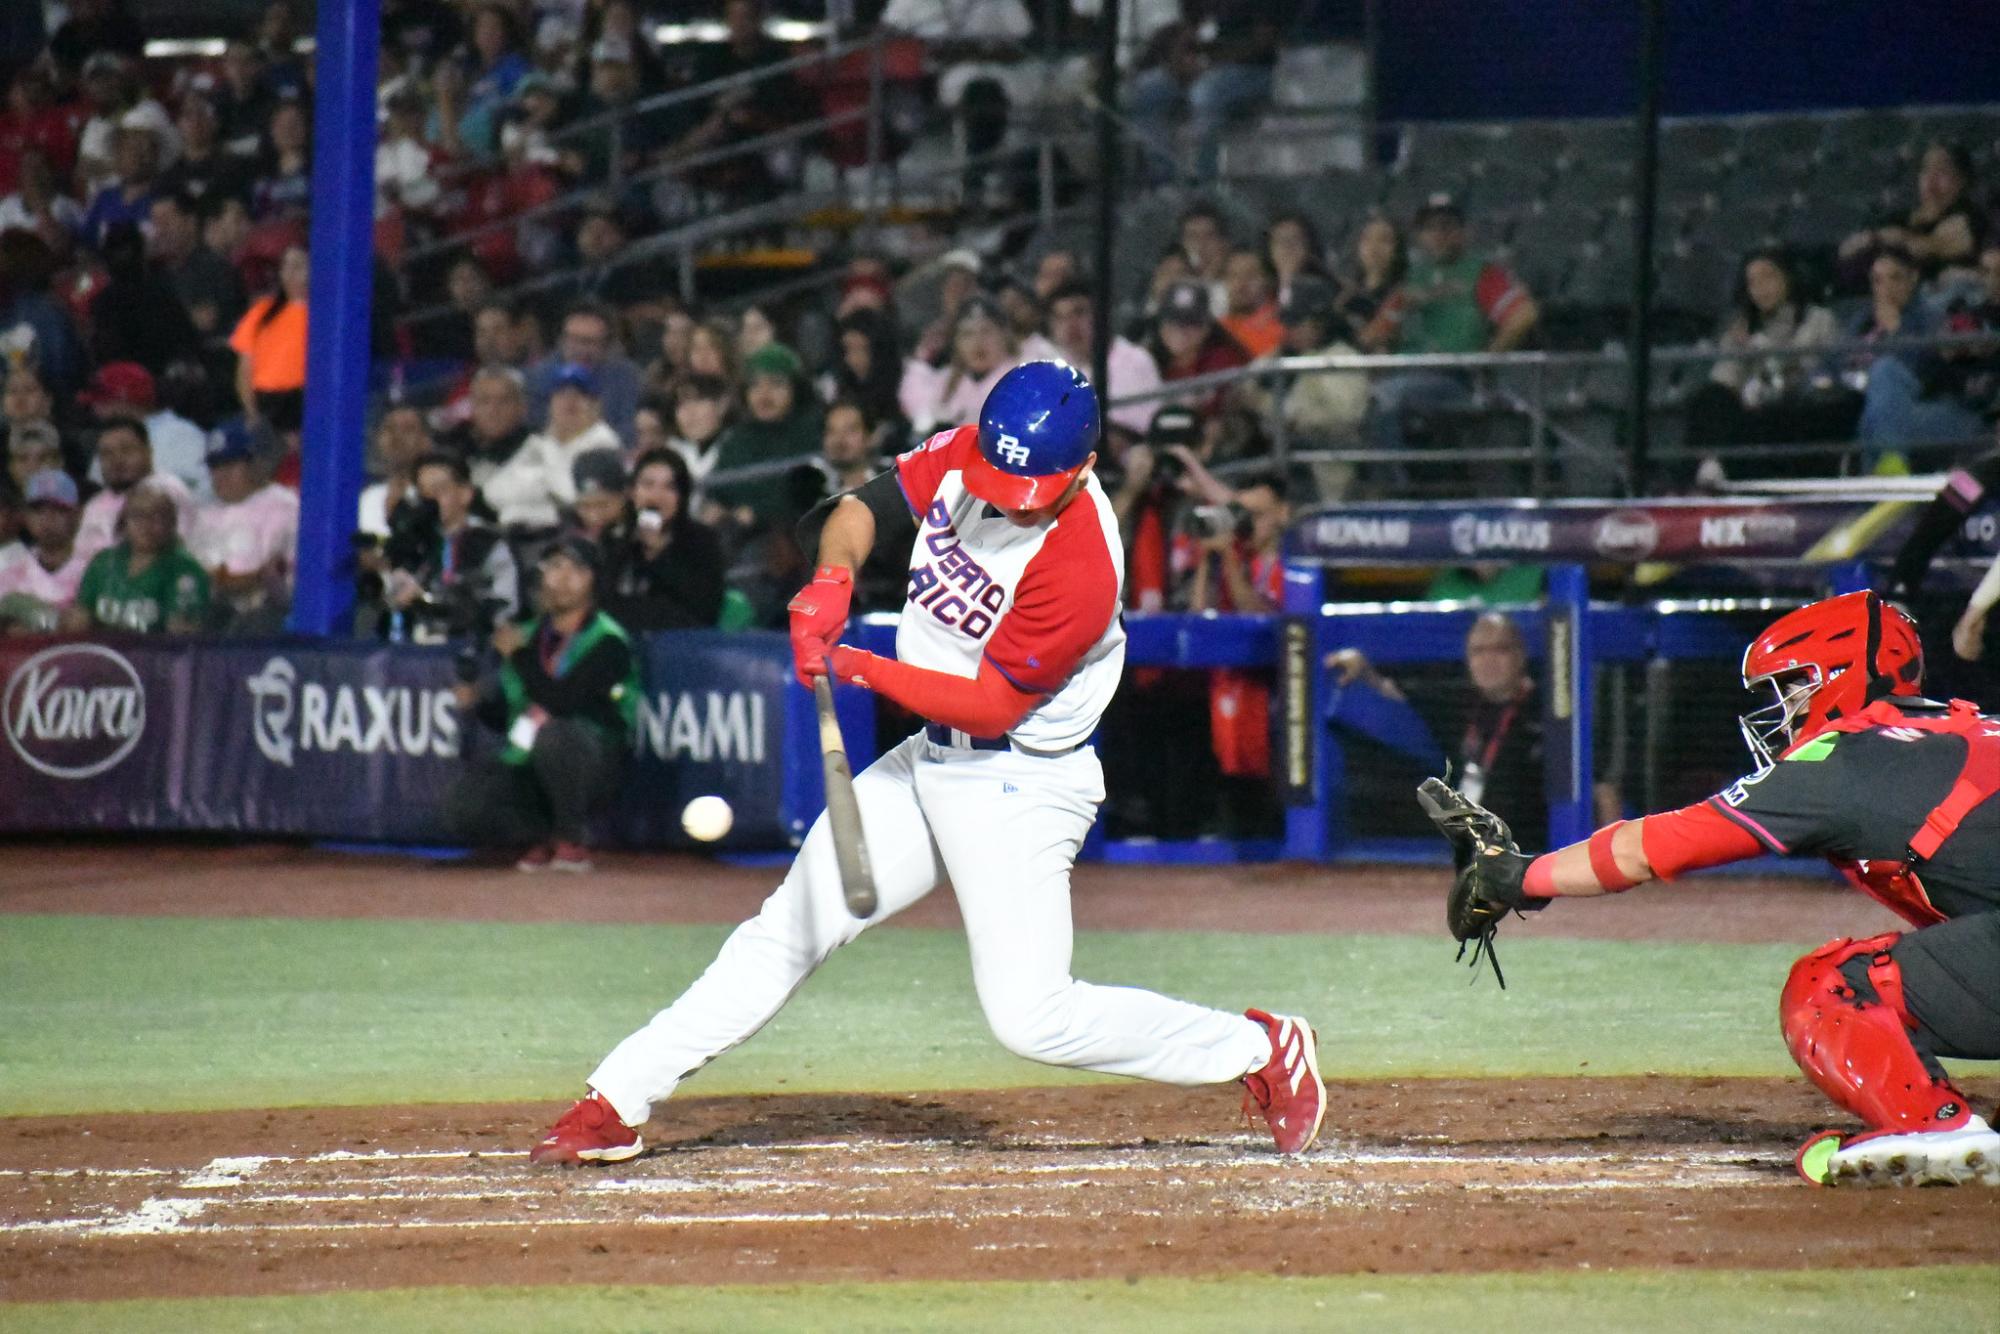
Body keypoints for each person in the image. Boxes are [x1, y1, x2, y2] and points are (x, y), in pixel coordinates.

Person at [527, 359, 1326, 1165]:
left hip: (1024, 781)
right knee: (788, 929)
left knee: (1032, 1018)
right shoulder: (975, 453)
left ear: (1082, 468)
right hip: (932, 759)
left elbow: (991, 703)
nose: (1006, 493)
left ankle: (1258, 1050)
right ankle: (617, 1100)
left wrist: (859, 665)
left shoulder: (1081, 563)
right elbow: (860, 510)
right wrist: (832, 583)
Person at [1431, 592, 2000, 1187]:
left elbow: (1650, 848)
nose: (1784, 708)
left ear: (1844, 676)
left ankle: (1930, 1126)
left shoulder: (1851, 754)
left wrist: (1520, 876)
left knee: (1831, 983)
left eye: (1795, 687)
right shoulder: (1959, 728)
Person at [1330, 612, 1621, 849]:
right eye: (1478, 651)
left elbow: (1603, 790)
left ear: (1520, 655)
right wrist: (1363, 668)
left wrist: (1609, 860)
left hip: (1541, 855)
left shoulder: (1556, 712)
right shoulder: (1461, 705)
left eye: (1500, 649)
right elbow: (1393, 690)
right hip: (1475, 856)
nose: (1488, 660)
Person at [445, 535, 638, 872]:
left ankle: (570, 839)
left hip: (592, 762)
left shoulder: (608, 640)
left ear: (593, 579)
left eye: (575, 569)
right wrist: (475, 701)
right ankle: (540, 836)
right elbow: (511, 713)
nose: (562, 579)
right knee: (462, 808)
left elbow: (562, 701)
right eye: (554, 568)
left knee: (557, 735)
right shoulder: (530, 634)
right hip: (530, 757)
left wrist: (519, 655)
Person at [1369, 195, 1538, 461]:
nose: (1438, 235)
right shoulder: (1413, 276)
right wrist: (1398, 311)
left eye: (1446, 227)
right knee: (1362, 398)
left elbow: (1524, 314)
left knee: (1387, 397)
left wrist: (1486, 359)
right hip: (1406, 370)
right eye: (1430, 228)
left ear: (1463, 232)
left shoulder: (1480, 273)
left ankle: (1395, 491)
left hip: (1454, 377)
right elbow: (1375, 335)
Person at [1683, 248, 1844, 473]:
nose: (1760, 288)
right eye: (1753, 282)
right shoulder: (1742, 327)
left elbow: (1819, 370)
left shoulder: (1818, 320)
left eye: (1768, 277)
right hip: (1753, 406)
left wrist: (1764, 349)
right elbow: (1725, 380)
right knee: (1710, 398)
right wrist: (1740, 351)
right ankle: (1708, 467)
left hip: (1798, 407)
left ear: (1787, 278)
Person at [379, 451, 519, 641]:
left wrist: (427, 601)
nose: (430, 500)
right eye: (423, 492)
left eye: (439, 490)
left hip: (467, 650)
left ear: (465, 494)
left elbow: (504, 607)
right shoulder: (411, 543)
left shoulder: (488, 543)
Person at [599, 446, 725, 631]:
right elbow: (603, 604)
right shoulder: (615, 538)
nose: (657, 496)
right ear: (633, 492)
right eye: (648, 485)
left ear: (682, 497)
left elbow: (704, 610)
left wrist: (659, 554)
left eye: (669, 487)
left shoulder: (702, 541)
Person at [185, 421, 297, 631]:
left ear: (256, 463)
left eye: (229, 464)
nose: (221, 475)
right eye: (214, 466)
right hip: (205, 619)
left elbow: (280, 580)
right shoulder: (202, 510)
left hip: (261, 622)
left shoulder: (285, 508)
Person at [484, 364, 623, 531]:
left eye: (579, 395)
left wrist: (537, 477)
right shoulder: (542, 442)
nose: (569, 402)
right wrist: (543, 486)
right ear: (550, 404)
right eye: (561, 395)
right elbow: (492, 493)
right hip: (530, 536)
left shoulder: (602, 441)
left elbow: (572, 497)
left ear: (595, 405)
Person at [64, 481, 209, 635]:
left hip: (158, 656)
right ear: (123, 523)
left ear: (172, 523)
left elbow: (181, 633)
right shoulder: (103, 562)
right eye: (137, 516)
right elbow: (80, 618)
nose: (145, 524)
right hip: (105, 654)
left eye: (157, 516)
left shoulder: (186, 569)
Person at [706, 343, 823, 528]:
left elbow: (807, 496)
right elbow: (717, 490)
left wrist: (759, 513)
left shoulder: (813, 434)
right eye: (755, 385)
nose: (764, 394)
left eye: (776, 384)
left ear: (796, 389)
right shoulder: (737, 439)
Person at [1839, 142, 1984, 290]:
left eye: (1942, 171)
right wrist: (1875, 237)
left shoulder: (1970, 218)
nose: (1931, 181)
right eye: (1926, 170)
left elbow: (1928, 247)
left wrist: (1894, 238)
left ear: (1962, 180)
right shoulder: (1896, 218)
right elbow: (1849, 248)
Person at [1044, 280, 1163, 443]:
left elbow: (1141, 426)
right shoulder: (1055, 371)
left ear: (1100, 314)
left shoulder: (1134, 360)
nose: (1070, 326)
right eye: (1060, 318)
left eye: (1079, 313)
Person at [79, 360, 210, 502]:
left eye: (102, 403)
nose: (95, 410)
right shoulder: (108, 438)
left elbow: (199, 493)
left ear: (124, 402)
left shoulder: (182, 436)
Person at [899, 295, 1024, 438]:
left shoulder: (1021, 378)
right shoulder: (943, 382)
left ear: (1004, 335)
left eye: (986, 331)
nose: (978, 342)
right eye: (967, 334)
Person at [75, 418, 196, 560]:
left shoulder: (166, 489)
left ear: (148, 452)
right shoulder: (94, 506)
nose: (117, 460)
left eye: (126, 450)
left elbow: (173, 551)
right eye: (107, 453)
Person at [526, 303, 641, 441]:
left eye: (590, 342)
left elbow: (629, 429)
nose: (581, 349)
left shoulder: (626, 377)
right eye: (574, 340)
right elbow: (534, 427)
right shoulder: (538, 376)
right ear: (562, 340)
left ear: (606, 345)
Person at [229, 243, 310, 436]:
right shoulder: (261, 312)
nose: (290, 273)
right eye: (285, 267)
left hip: (303, 402)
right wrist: (252, 413)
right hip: (266, 406)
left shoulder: (324, 316)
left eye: (297, 266)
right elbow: (244, 371)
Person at [0, 469, 89, 633]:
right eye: (38, 510)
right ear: (25, 516)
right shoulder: (9, 573)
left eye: (58, 509)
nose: (47, 518)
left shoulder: (95, 568)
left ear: (78, 514)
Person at [358, 403, 433, 537]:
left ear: (426, 441)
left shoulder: (434, 496)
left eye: (408, 430)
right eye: (389, 429)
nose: (397, 437)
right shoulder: (368, 499)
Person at [1217, 249, 1283, 359]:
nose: (1241, 283)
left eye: (1250, 275)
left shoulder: (1283, 324)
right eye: (1233, 275)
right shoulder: (1218, 330)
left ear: (1268, 281)